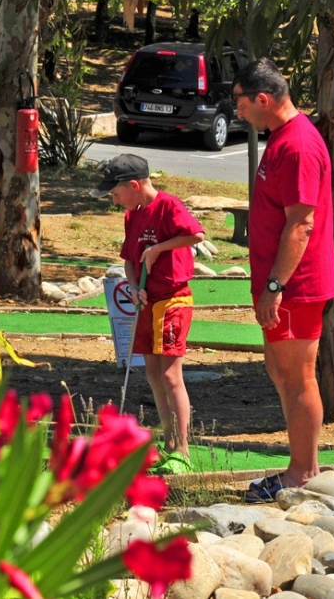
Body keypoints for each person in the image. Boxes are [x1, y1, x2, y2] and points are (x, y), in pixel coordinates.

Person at [232, 58, 334, 502]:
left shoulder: (296, 145)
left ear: (262, 99)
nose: (236, 113)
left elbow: (301, 224)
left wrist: (274, 287)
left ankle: (303, 473)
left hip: (296, 286)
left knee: (298, 376)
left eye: (239, 104)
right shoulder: (281, 140)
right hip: (280, 285)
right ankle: (300, 467)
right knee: (280, 370)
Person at [91, 154, 205, 473]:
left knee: (170, 375)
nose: (113, 201)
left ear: (134, 185)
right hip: (147, 300)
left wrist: (158, 248)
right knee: (153, 374)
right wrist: (132, 285)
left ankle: (183, 450)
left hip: (173, 300)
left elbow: (196, 235)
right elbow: (130, 259)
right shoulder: (133, 216)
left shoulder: (168, 206)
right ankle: (169, 444)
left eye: (115, 194)